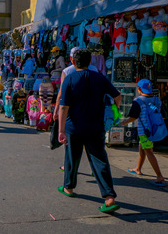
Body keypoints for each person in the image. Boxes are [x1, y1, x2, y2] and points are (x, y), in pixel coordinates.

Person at [58, 49, 122, 213]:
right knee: (99, 160)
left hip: (74, 127)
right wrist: (115, 109)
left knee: (72, 157)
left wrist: (61, 130)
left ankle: (69, 188)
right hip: (95, 126)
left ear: (73, 62)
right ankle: (109, 198)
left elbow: (64, 107)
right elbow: (118, 96)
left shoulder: (69, 79)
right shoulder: (100, 78)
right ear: (90, 62)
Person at [55, 47, 99, 172]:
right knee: (92, 145)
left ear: (71, 59)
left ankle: (68, 171)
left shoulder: (67, 71)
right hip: (92, 112)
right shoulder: (94, 70)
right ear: (89, 60)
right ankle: (94, 169)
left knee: (70, 144)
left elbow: (62, 94)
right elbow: (115, 96)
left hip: (72, 112)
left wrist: (57, 110)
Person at [120, 79, 166, 186]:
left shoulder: (138, 101)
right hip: (154, 130)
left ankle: (159, 176)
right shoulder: (157, 100)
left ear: (139, 89)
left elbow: (133, 116)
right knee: (142, 147)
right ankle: (138, 168)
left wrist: (124, 122)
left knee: (148, 151)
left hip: (144, 131)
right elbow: (164, 114)